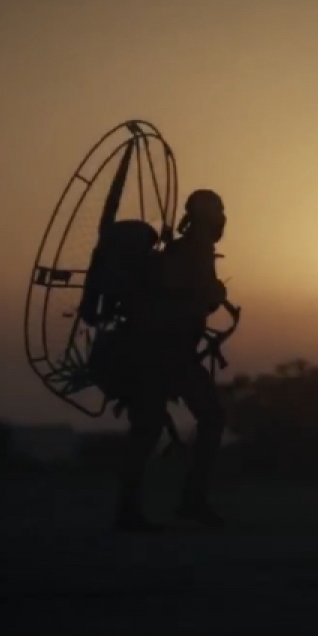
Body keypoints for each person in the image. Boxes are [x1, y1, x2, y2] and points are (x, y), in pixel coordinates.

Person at [99, 189, 232, 532]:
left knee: (173, 424)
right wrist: (210, 295)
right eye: (218, 214)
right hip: (158, 355)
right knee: (153, 428)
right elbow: (175, 297)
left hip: (170, 354)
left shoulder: (192, 251)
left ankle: (181, 501)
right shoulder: (187, 251)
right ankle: (147, 507)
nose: (222, 221)